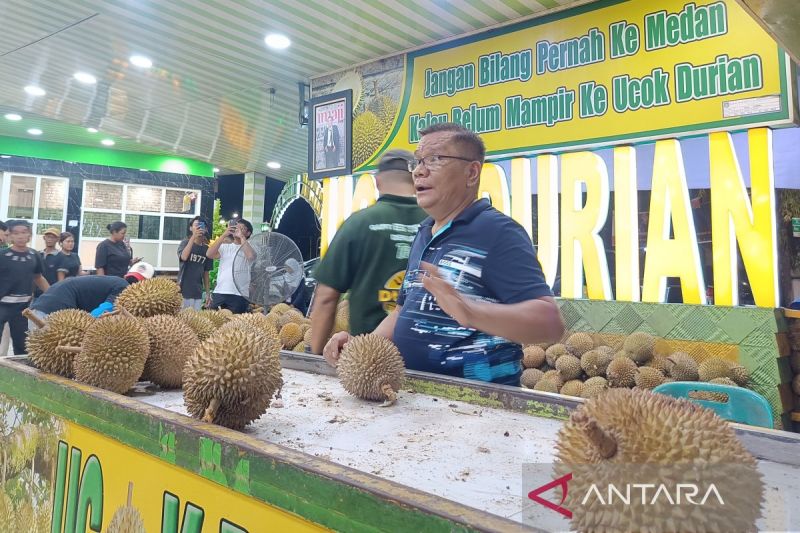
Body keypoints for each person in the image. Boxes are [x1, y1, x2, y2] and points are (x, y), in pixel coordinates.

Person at [323, 123, 564, 386]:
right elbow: (402, 311)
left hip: (480, 402)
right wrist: (361, 347)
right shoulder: (424, 232)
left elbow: (549, 323)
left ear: (471, 172)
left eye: (435, 159)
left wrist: (471, 312)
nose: (419, 171)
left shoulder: (498, 232)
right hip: (417, 396)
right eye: (417, 161)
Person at [310, 149, 427, 354]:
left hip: (368, 358)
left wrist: (315, 356)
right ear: (416, 177)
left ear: (377, 181)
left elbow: (326, 297)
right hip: (426, 357)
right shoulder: (436, 223)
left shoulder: (359, 223)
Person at [28, 263, 155, 326]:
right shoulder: (123, 287)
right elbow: (101, 312)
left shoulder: (112, 281)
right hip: (51, 313)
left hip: (37, 309)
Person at [0, 220, 49, 355]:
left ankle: (18, 366)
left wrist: (53, 294)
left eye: (24, 232)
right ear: (10, 236)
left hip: (22, 308)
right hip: (2, 305)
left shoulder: (34, 255)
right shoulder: (2, 255)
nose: (20, 236)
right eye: (16, 233)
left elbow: (38, 278)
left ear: (30, 235)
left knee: (21, 344)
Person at [206, 218, 255, 314]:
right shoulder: (225, 247)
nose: (237, 230)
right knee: (215, 320)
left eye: (242, 228)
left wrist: (241, 237)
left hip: (239, 294)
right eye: (236, 227)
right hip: (220, 291)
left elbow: (250, 256)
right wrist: (224, 234)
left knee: (235, 322)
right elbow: (209, 254)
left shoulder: (250, 247)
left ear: (248, 233)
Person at [177, 217, 213, 310]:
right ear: (190, 228)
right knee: (182, 317)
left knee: (196, 317)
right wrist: (193, 236)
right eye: (196, 225)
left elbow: (206, 273)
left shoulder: (207, 249)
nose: (199, 228)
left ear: (206, 229)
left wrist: (208, 293)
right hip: (182, 290)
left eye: (201, 226)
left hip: (197, 292)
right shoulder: (185, 243)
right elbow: (184, 257)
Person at [34, 227, 61, 298]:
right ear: (44, 238)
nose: (50, 239)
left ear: (57, 239)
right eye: (48, 237)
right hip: (36, 294)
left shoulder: (61, 256)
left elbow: (61, 279)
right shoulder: (38, 254)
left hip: (53, 293)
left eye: (53, 237)